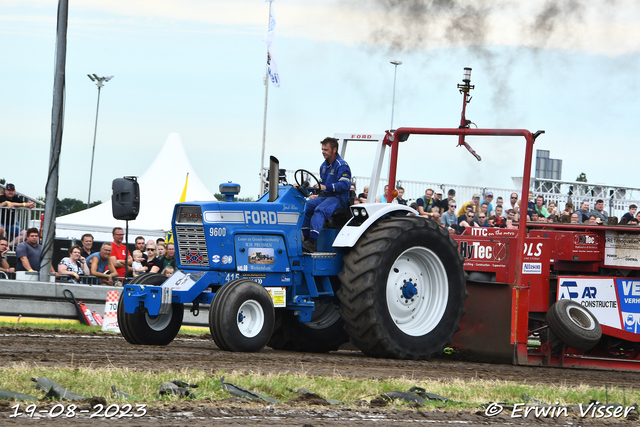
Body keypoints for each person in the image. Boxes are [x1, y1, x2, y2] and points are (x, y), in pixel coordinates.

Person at [301, 137, 352, 253]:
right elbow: (322, 186)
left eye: (326, 149)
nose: (323, 152)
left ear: (334, 150)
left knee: (320, 210)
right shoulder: (323, 166)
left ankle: (313, 241)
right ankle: (307, 240)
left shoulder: (342, 165)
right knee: (305, 206)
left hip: (339, 199)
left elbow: (344, 185)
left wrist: (325, 187)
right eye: (322, 149)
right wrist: (315, 188)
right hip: (326, 197)